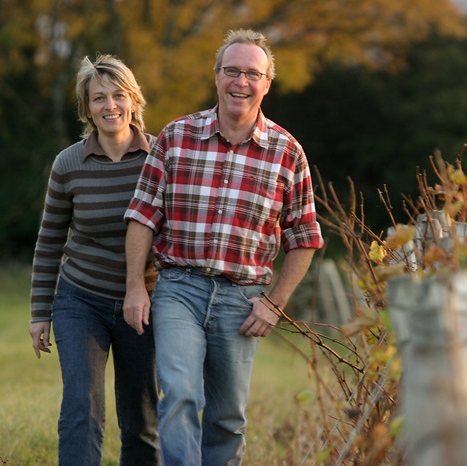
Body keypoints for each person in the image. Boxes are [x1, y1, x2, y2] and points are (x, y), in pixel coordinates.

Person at [123, 28, 325, 465]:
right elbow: (142, 216)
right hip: (179, 288)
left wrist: (275, 303)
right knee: (179, 394)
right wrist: (136, 287)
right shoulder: (177, 136)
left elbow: (305, 237)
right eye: (232, 70)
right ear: (216, 76)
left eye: (252, 73)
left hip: (243, 299)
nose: (241, 81)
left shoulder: (287, 152)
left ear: (267, 83)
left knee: (227, 418)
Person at [29, 54, 160, 466]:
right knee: (82, 406)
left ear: (134, 100)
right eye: (99, 98)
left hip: (145, 304)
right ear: (86, 108)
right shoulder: (69, 164)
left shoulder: (161, 157)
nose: (110, 106)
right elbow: (50, 241)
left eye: (119, 95)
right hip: (80, 298)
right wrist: (39, 312)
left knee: (141, 415)